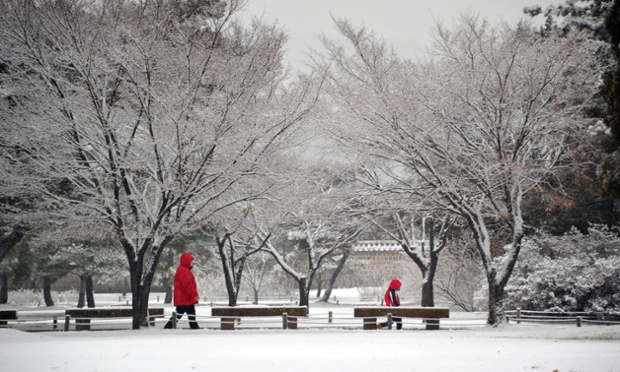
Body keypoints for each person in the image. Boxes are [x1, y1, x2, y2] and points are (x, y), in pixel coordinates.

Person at [164, 252, 200, 329]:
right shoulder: (184, 271)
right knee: (191, 316)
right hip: (186, 299)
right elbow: (188, 285)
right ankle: (195, 329)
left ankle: (168, 328)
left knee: (179, 315)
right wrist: (194, 295)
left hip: (182, 299)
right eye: (190, 261)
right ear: (186, 261)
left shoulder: (182, 270)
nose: (191, 263)